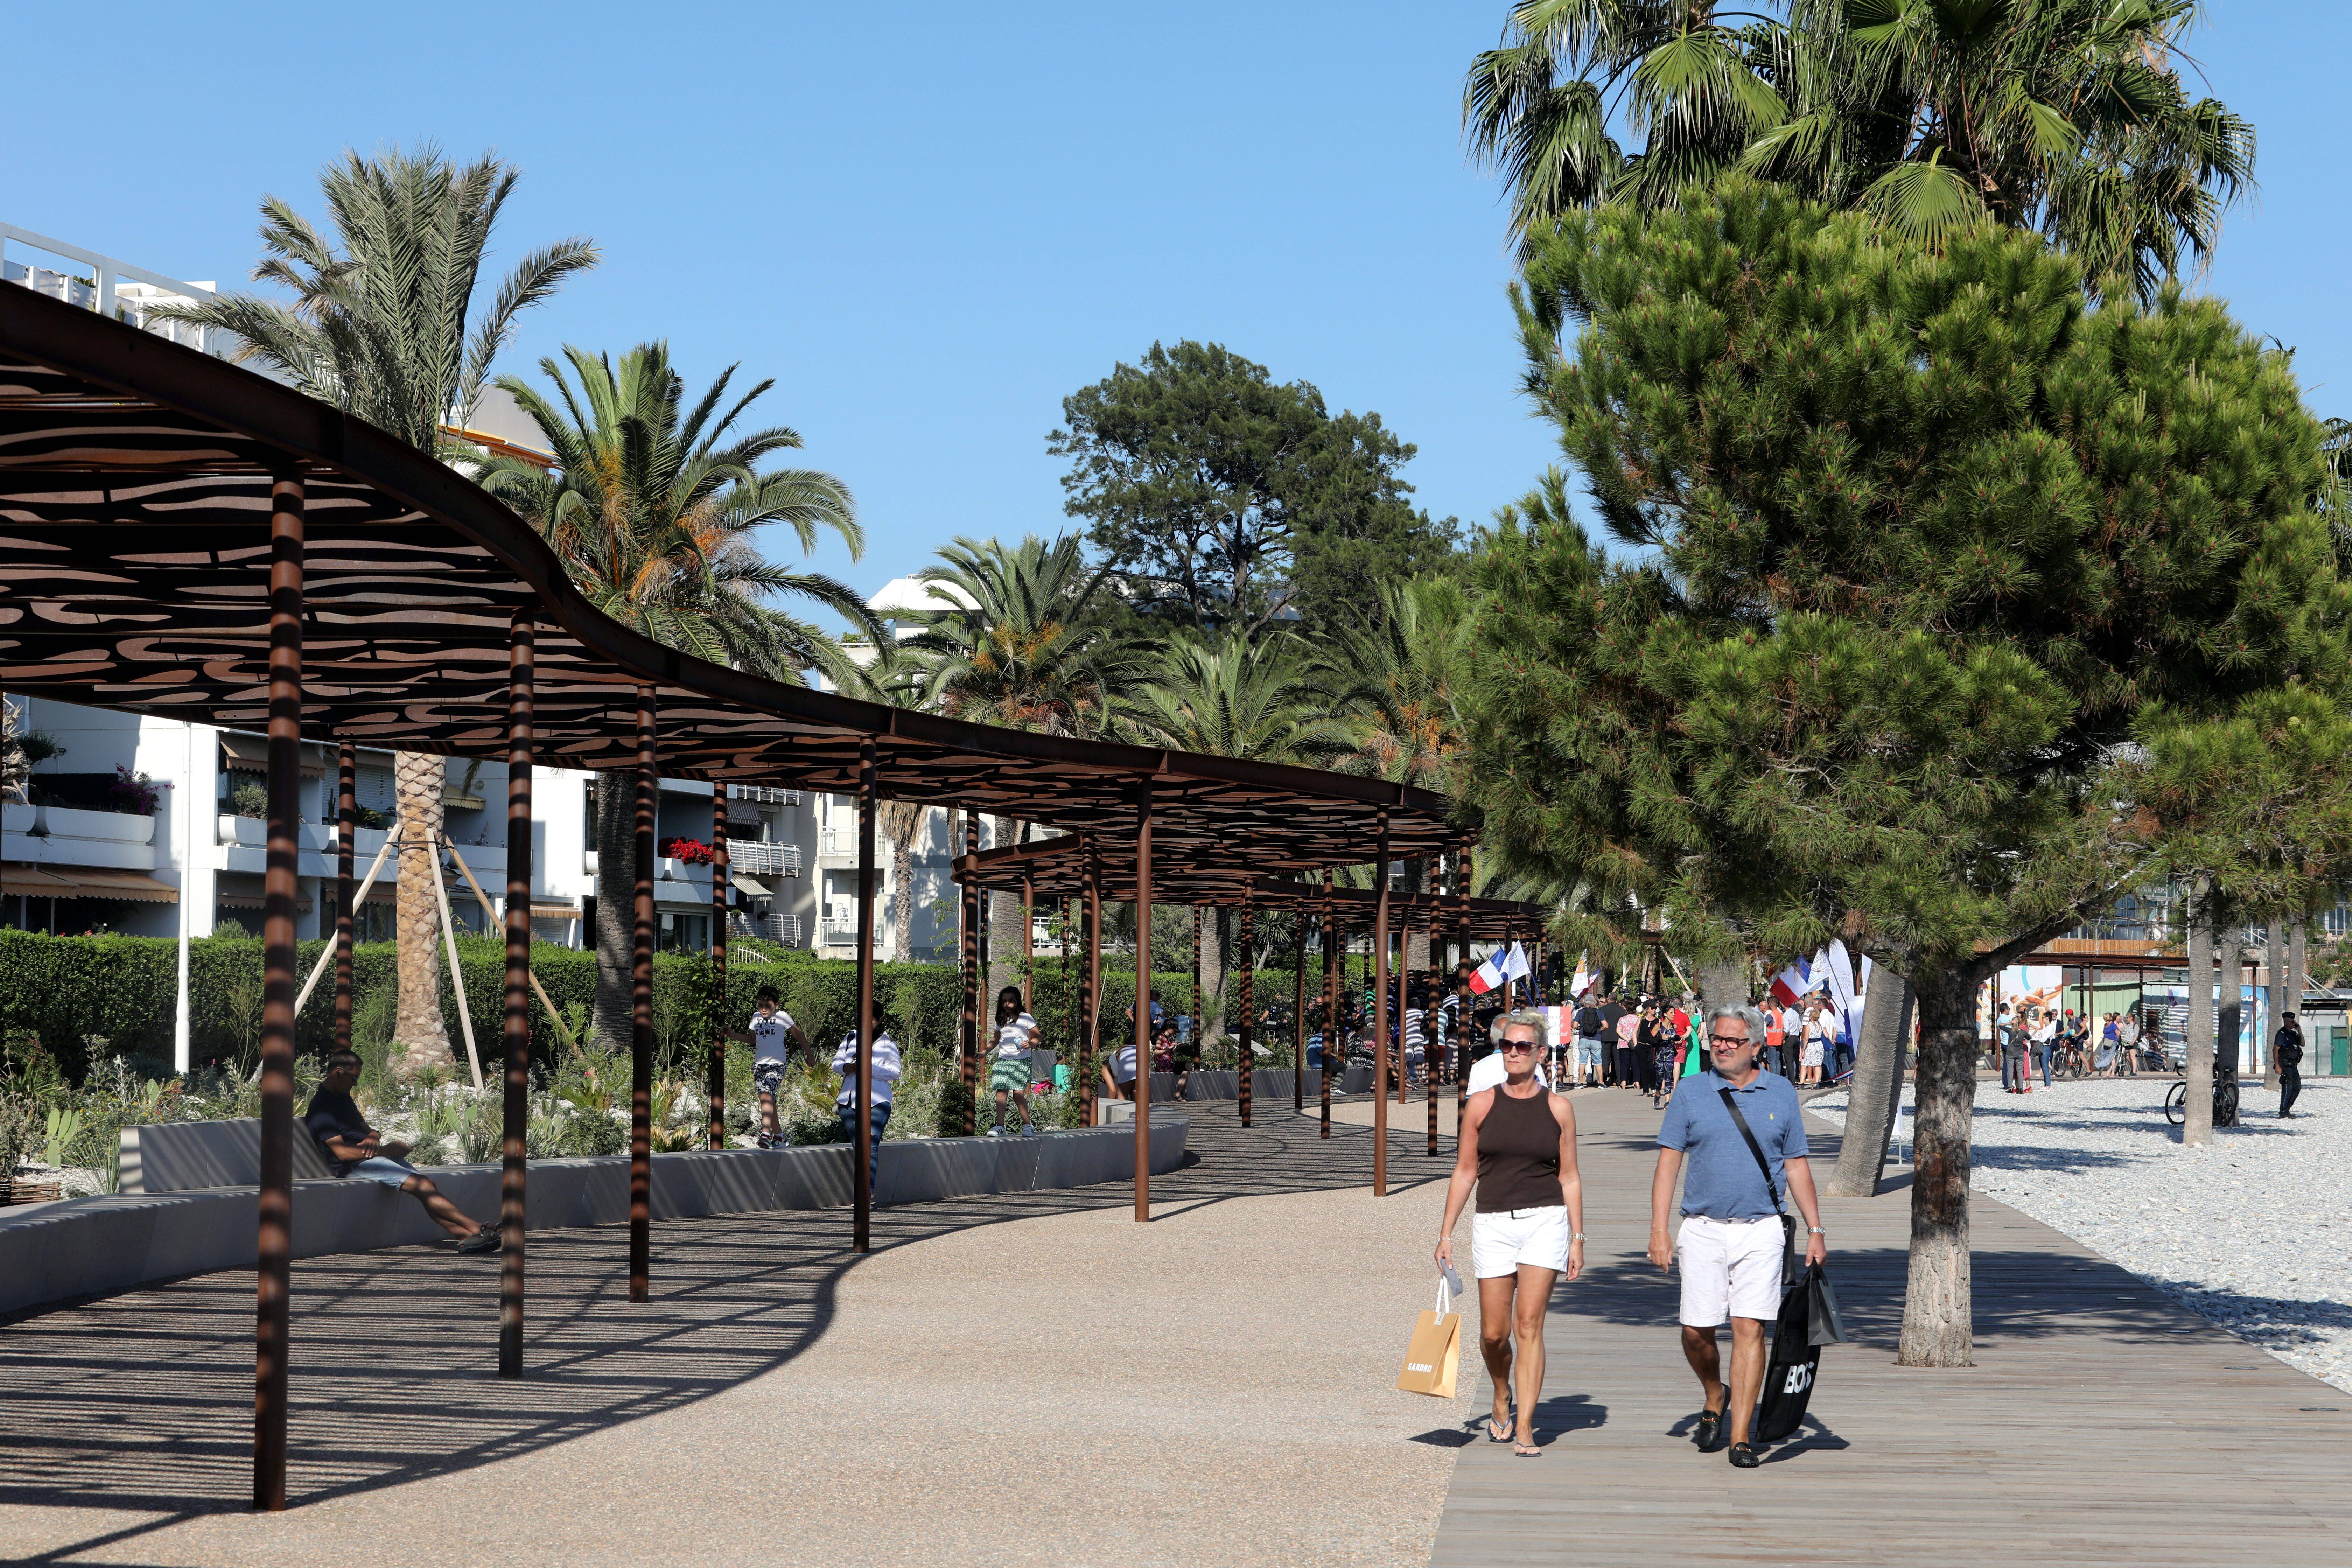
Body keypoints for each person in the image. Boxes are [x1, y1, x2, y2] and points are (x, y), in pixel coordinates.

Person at [1648, 1003, 1827, 1469]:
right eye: (1717, 1039)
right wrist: (1659, 1230)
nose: (1722, 1047)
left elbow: (1796, 1164)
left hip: (1762, 1229)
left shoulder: (1782, 1093)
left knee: (1750, 1329)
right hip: (1703, 1228)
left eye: (1732, 1040)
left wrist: (1816, 1229)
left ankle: (1742, 1437)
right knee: (1695, 1330)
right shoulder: (1690, 1093)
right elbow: (1668, 1163)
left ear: (1755, 1045)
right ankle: (1715, 1392)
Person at [1435, 1009, 1585, 1458]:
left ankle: (1525, 1427)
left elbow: (1571, 1176)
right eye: (1507, 1045)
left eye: (1523, 1046)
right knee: (1495, 1334)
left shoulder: (1559, 1108)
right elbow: (1465, 1172)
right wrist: (1446, 1233)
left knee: (1528, 1326)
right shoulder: (1481, 1104)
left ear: (1541, 1053)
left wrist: (1578, 1237)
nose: (1514, 1053)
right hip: (1494, 1223)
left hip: (1546, 1221)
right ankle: (1501, 1391)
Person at [303, 1049, 500, 1253]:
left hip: (370, 1159)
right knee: (422, 1184)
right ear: (338, 1072)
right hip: (353, 1166)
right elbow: (342, 1154)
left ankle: (466, 1236)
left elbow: (368, 1130)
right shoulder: (322, 1108)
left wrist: (374, 1137)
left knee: (427, 1185)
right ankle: (479, 1228)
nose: (355, 1083)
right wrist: (387, 1150)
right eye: (354, 1077)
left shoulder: (342, 1098)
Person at [729, 985, 812, 1149]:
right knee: (768, 1100)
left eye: (768, 1006)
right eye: (761, 1005)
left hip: (777, 1064)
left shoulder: (782, 1017)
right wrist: (732, 1034)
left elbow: (798, 1034)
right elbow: (752, 1039)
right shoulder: (755, 1018)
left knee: (766, 1095)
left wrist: (810, 1054)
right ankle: (780, 1137)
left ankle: (766, 1133)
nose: (764, 1009)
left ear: (777, 1004)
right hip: (759, 1065)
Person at [831, 1024, 901, 1187]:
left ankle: (866, 1192)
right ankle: (865, 1191)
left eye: (873, 1019)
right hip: (848, 1102)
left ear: (880, 1020)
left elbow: (895, 1072)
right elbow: (836, 1063)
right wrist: (845, 1067)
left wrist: (868, 1068)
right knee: (860, 1148)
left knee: (870, 1147)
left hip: (877, 1102)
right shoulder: (851, 1037)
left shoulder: (888, 1043)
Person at [989, 985, 1040, 1138]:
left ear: (1017, 1001)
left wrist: (1030, 1043)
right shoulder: (1000, 1019)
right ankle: (1000, 1127)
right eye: (1004, 1001)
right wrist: (984, 1052)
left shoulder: (1026, 1017)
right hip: (1004, 1060)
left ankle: (1027, 1125)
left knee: (1018, 1093)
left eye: (1011, 1000)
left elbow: (1038, 1037)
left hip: (1021, 1059)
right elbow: (996, 1040)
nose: (1007, 1004)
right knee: (1001, 1093)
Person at [1573, 993, 1606, 1088]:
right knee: (1598, 1062)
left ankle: (1580, 1083)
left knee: (1583, 1061)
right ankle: (1601, 1083)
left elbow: (1575, 1026)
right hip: (1596, 1039)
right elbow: (1606, 1026)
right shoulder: (1599, 1013)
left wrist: (1580, 1029)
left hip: (1584, 1039)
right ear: (1594, 1003)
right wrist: (1599, 1030)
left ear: (1585, 1003)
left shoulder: (1581, 1012)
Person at [2276, 1011, 2305, 1118]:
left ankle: (2287, 1108)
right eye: (2292, 1022)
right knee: (2288, 1087)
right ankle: (2283, 1111)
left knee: (2297, 1087)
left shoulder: (2293, 1034)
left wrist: (2299, 1030)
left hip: (2293, 1065)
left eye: (2294, 1022)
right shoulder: (2281, 1034)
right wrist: (2278, 1066)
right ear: (2287, 1022)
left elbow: (2302, 1044)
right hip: (2285, 1064)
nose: (2294, 1023)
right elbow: (2275, 1050)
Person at [1996, 1003, 2025, 1093]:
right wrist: (2011, 1023)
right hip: (2008, 1044)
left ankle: (2008, 1084)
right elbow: (2010, 1030)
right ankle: (2008, 1084)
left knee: (2008, 1066)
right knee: (2009, 1066)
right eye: (2009, 1009)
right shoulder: (2005, 1019)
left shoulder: (1999, 1019)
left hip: (2005, 1042)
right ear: (2006, 1010)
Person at [1613, 998, 1640, 1090]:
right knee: (1635, 1064)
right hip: (1635, 1043)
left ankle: (1623, 1082)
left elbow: (1618, 1031)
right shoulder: (1638, 1019)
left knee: (1624, 1064)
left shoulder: (1622, 1019)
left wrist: (1626, 1038)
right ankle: (1637, 1082)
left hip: (1624, 1044)